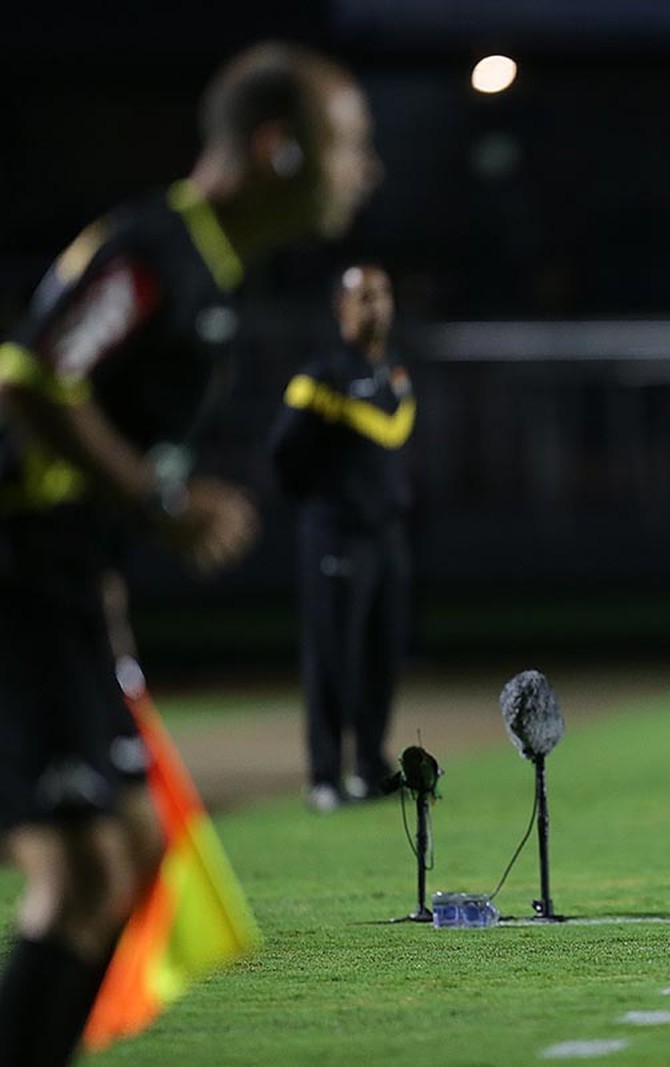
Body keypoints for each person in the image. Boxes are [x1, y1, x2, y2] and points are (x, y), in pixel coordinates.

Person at [0, 42, 379, 1065]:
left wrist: (107, 570)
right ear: (277, 150)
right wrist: (157, 499)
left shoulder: (203, 271)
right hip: (19, 584)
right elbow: (32, 377)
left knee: (125, 858)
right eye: (347, 144)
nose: (364, 169)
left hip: (61, 585)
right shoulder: (154, 253)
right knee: (88, 867)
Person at [269, 264, 412, 813]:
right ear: (341, 309)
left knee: (382, 653)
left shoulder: (395, 369)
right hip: (336, 535)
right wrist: (324, 505)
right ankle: (325, 775)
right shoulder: (320, 376)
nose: (376, 305)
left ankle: (370, 765)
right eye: (363, 297)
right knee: (333, 655)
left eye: (383, 294)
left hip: (387, 537)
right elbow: (282, 452)